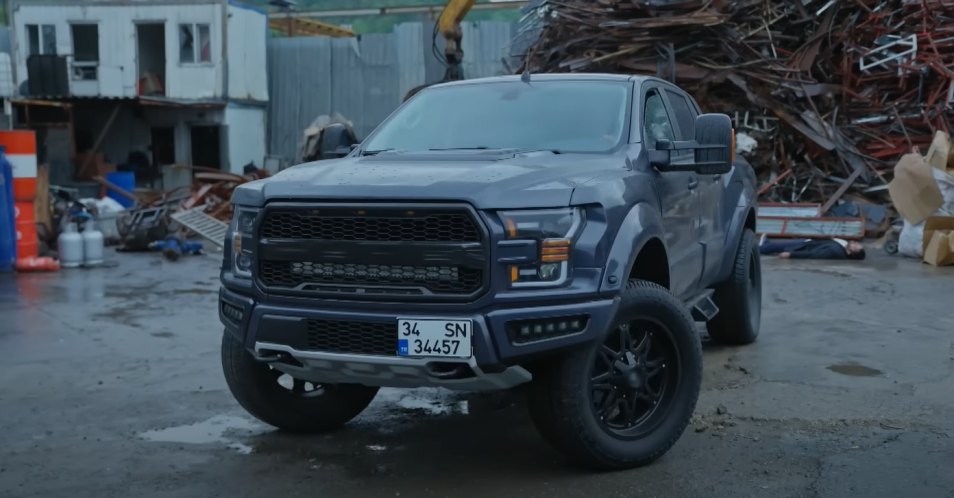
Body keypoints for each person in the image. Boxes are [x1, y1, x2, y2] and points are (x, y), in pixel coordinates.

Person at [759, 234, 866, 260]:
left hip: (805, 247)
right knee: (780, 246)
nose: (854, 243)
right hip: (810, 242)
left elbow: (814, 254)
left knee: (781, 246)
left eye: (856, 246)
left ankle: (762, 248)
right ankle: (766, 245)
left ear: (850, 252)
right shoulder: (843, 246)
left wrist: (791, 255)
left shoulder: (835, 251)